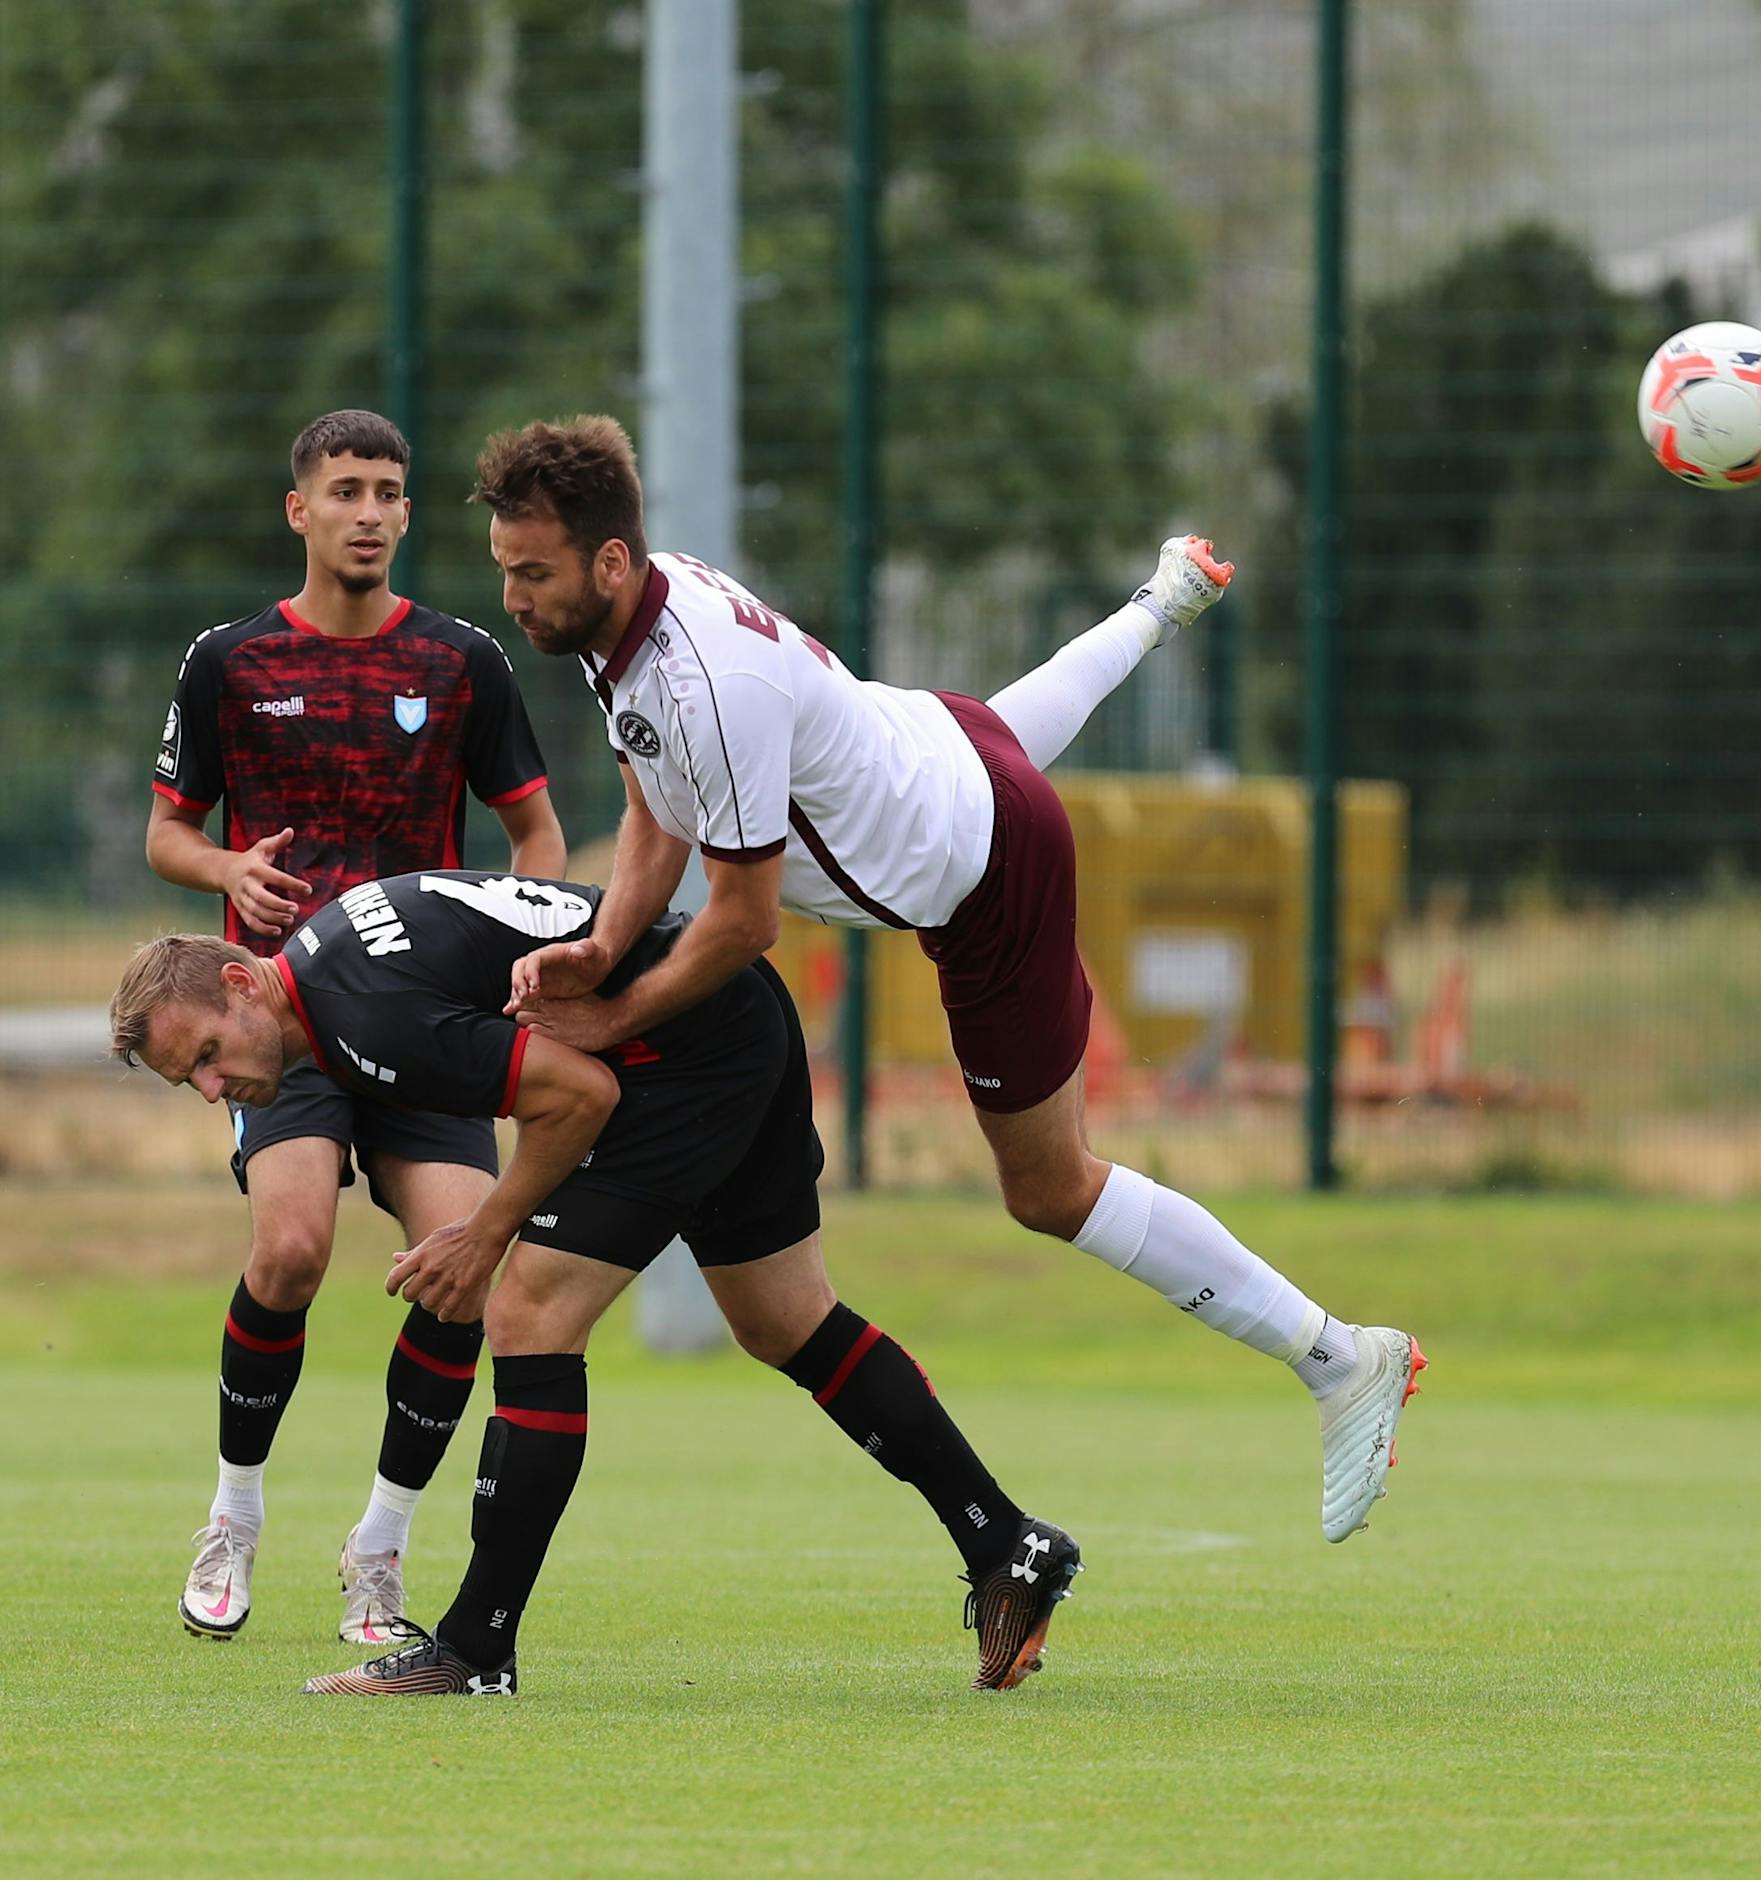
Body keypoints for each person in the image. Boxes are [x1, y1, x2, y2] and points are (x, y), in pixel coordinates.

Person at [473, 416, 1426, 1548]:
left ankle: (1336, 1355)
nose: (514, 597)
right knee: (1004, 736)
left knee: (1050, 1188)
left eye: (532, 573)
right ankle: (1158, 602)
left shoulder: (705, 679)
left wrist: (610, 1011)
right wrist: (598, 943)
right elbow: (650, 807)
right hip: (939, 741)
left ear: (611, 559)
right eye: (505, 571)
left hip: (988, 875)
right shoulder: (621, 621)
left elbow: (742, 924)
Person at [108, 872, 1081, 1696]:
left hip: (682, 1054)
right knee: (784, 1317)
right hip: (735, 1015)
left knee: (527, 1305)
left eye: (203, 1052)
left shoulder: (359, 1009)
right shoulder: (333, 963)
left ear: (241, 982)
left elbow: (579, 1094)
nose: (208, 1086)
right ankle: (1006, 1545)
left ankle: (474, 1646)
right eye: (182, 1080)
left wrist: (486, 1233)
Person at [146, 410, 566, 1646]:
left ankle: (379, 1547)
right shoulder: (227, 660)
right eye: (346, 489)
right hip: (279, 1017)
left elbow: (534, 835)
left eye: (389, 489)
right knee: (289, 1249)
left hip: (424, 1018)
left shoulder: (461, 660)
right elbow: (165, 834)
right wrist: (225, 867)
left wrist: (527, 953)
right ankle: (232, 1516)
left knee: (459, 1270)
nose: (371, 510)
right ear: (301, 510)